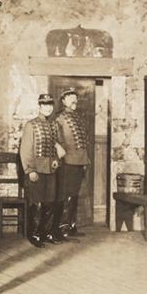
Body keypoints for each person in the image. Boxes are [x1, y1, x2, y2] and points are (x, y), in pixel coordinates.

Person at [19, 93, 66, 247]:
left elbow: (58, 147)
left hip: (51, 170)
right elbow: (25, 150)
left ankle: (44, 233)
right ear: (39, 106)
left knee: (49, 203)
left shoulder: (54, 125)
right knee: (36, 204)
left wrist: (56, 160)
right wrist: (30, 170)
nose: (48, 108)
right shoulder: (31, 125)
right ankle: (33, 234)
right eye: (44, 105)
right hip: (36, 170)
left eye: (50, 105)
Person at [53, 87, 90, 239]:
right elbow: (54, 138)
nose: (74, 100)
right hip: (67, 162)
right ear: (63, 101)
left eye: (75, 97)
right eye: (70, 98)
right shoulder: (59, 118)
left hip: (80, 161)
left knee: (74, 195)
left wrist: (85, 160)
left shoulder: (78, 118)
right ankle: (63, 228)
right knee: (66, 195)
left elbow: (83, 142)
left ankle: (72, 226)